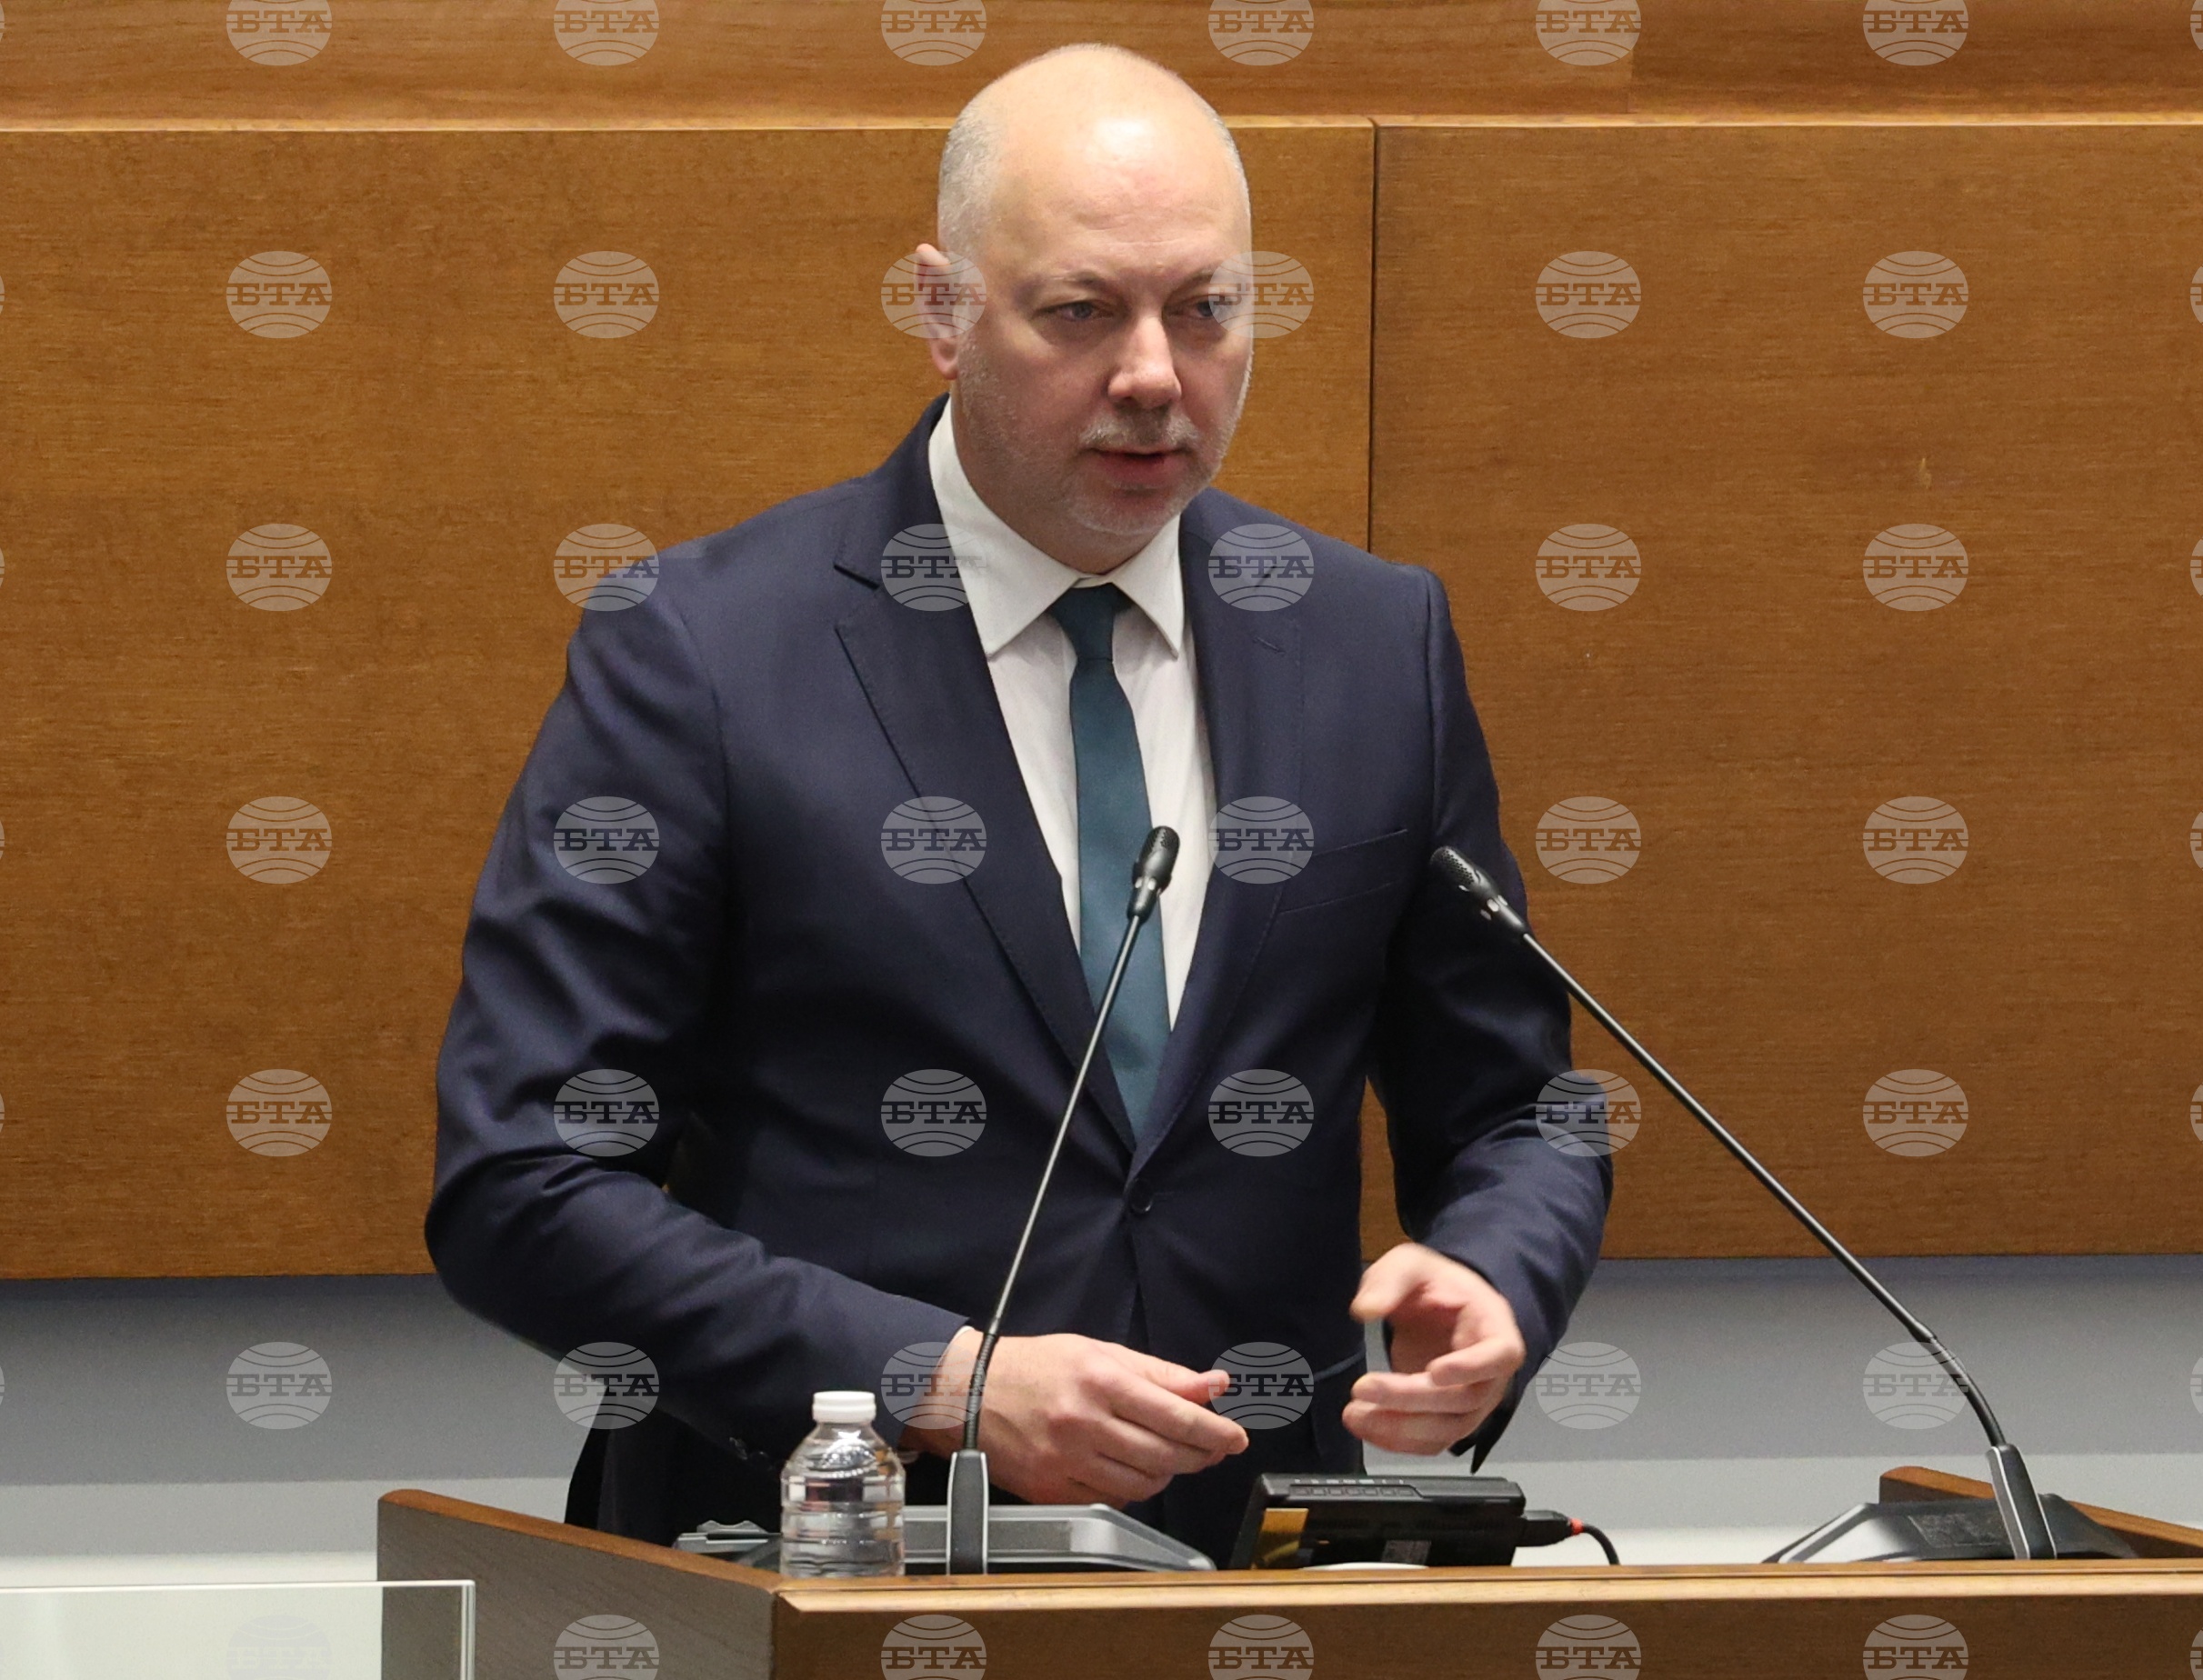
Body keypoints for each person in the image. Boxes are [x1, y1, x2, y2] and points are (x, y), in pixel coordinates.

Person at [428, 43, 1609, 1565]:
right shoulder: (705, 653)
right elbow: (523, 1183)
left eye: (1206, 309)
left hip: (1264, 1563)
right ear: (941, 312)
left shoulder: (1370, 643)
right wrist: (935, 1383)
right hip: (823, 1564)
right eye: (1080, 312)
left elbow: (1515, 1106)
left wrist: (1495, 1277)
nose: (1154, 375)